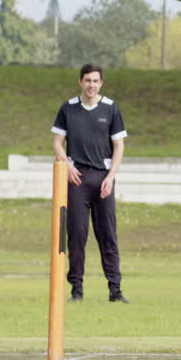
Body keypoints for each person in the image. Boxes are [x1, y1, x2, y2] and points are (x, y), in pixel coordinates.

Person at [51, 63, 129, 303]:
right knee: (77, 234)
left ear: (101, 83)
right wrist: (68, 166)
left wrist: (111, 176)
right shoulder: (69, 108)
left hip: (103, 180)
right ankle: (77, 289)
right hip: (77, 180)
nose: (91, 85)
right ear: (80, 82)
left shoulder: (111, 108)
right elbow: (56, 143)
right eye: (87, 81)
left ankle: (115, 290)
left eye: (95, 81)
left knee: (108, 235)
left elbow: (119, 146)